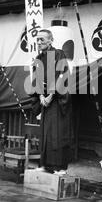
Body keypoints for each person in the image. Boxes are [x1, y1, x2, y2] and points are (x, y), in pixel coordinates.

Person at [32, 29, 74, 176]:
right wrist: (40, 97)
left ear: (50, 40)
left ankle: (60, 167)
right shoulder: (38, 58)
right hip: (45, 102)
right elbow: (36, 80)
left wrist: (51, 95)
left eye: (42, 39)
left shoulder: (59, 54)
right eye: (37, 40)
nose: (39, 42)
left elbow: (62, 75)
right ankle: (44, 164)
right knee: (45, 134)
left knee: (58, 134)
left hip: (57, 102)